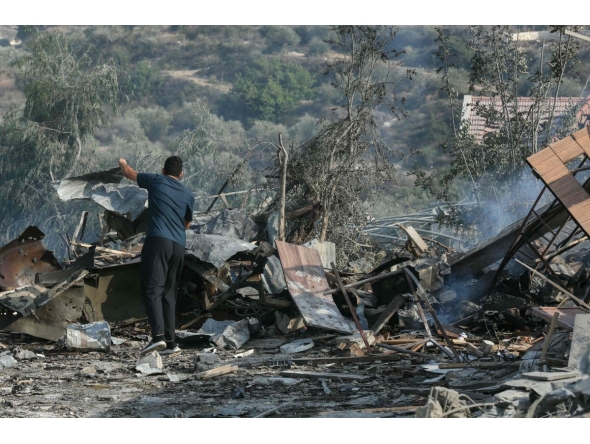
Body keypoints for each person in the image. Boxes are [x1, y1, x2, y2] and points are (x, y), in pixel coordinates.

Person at [118, 156, 194, 357]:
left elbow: (128, 173)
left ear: (162, 170)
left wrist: (122, 162)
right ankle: (171, 343)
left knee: (152, 289)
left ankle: (158, 337)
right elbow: (187, 223)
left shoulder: (156, 180)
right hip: (178, 245)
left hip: (158, 241)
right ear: (181, 174)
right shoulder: (187, 193)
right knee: (169, 293)